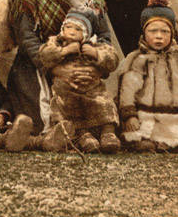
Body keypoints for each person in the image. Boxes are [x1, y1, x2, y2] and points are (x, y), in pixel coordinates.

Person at [6, 0, 112, 135]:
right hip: (39, 64)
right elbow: (26, 38)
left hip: (81, 63)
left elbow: (104, 36)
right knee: (40, 124)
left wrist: (94, 67)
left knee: (96, 118)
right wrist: (55, 68)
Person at [117, 0, 178, 154]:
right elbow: (128, 88)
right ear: (144, 34)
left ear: (172, 34)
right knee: (140, 139)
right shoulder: (137, 59)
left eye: (165, 31)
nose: (159, 36)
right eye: (153, 31)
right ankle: (149, 143)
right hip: (146, 116)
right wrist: (129, 115)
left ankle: (173, 143)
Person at [35, 10, 121, 153]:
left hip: (93, 88)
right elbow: (44, 56)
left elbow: (113, 60)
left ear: (86, 33)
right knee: (68, 109)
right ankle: (83, 136)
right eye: (68, 27)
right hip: (67, 90)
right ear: (62, 29)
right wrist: (65, 51)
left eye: (78, 29)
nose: (72, 32)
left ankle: (108, 133)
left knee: (104, 103)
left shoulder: (93, 45)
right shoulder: (55, 43)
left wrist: (96, 54)